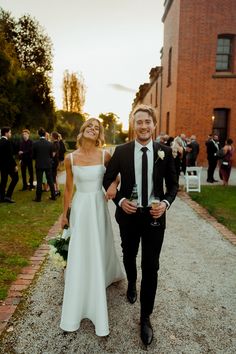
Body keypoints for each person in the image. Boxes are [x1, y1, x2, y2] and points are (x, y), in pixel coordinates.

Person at [103, 105, 178, 346]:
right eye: (139, 122)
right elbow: (107, 180)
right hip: (129, 215)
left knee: (151, 265)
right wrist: (121, 200)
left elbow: (173, 186)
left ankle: (145, 317)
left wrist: (165, 203)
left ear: (154, 125)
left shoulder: (165, 152)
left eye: (147, 122)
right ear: (132, 125)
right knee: (129, 254)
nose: (143, 126)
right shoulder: (121, 151)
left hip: (155, 217)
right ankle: (132, 282)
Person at [60, 118, 124, 337]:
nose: (93, 129)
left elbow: (115, 177)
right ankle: (81, 280)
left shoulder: (105, 155)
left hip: (97, 204)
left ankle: (102, 275)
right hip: (80, 206)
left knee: (100, 242)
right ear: (82, 130)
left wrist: (113, 187)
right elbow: (68, 189)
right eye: (90, 126)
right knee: (80, 246)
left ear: (99, 135)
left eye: (97, 128)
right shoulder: (70, 158)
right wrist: (64, 214)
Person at [32, 128, 56, 202]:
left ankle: (38, 198)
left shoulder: (35, 143)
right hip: (48, 164)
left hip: (39, 164)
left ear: (38, 134)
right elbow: (51, 156)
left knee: (39, 181)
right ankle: (53, 196)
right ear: (45, 134)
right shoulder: (50, 144)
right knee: (50, 180)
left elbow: (33, 156)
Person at [0, 127, 19, 203]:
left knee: (3, 181)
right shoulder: (7, 142)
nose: (10, 134)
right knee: (15, 178)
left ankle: (1, 198)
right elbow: (9, 155)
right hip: (8, 165)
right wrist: (15, 165)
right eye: (10, 132)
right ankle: (8, 196)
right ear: (6, 133)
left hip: (2, 165)